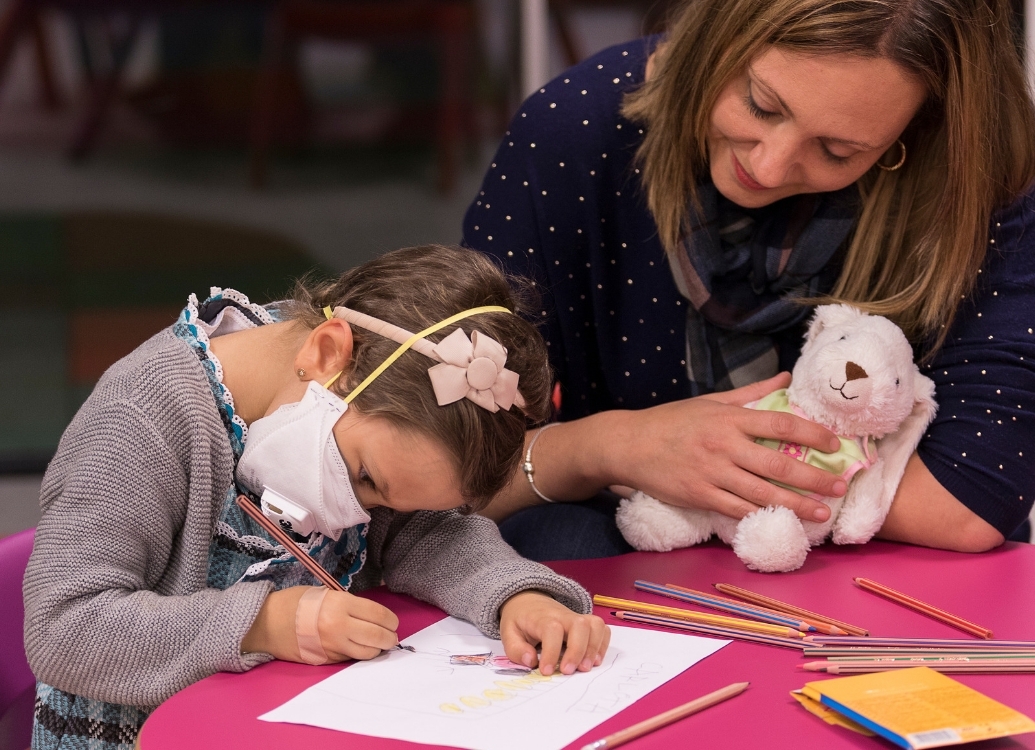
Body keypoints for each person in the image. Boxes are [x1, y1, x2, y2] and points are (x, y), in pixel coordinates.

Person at [462, 0, 1035, 560]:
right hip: (637, 548)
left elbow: (969, 500)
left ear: (912, 134)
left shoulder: (979, 176)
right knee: (558, 541)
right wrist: (613, 446)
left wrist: (719, 476)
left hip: (871, 572)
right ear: (717, 35)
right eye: (761, 105)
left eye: (838, 151)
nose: (767, 167)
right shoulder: (578, 127)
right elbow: (443, 457)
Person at [22, 245, 610, 750]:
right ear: (328, 352)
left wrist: (517, 596)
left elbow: (423, 533)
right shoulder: (143, 416)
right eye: (367, 481)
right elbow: (64, 627)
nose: (364, 514)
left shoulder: (350, 412)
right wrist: (266, 622)